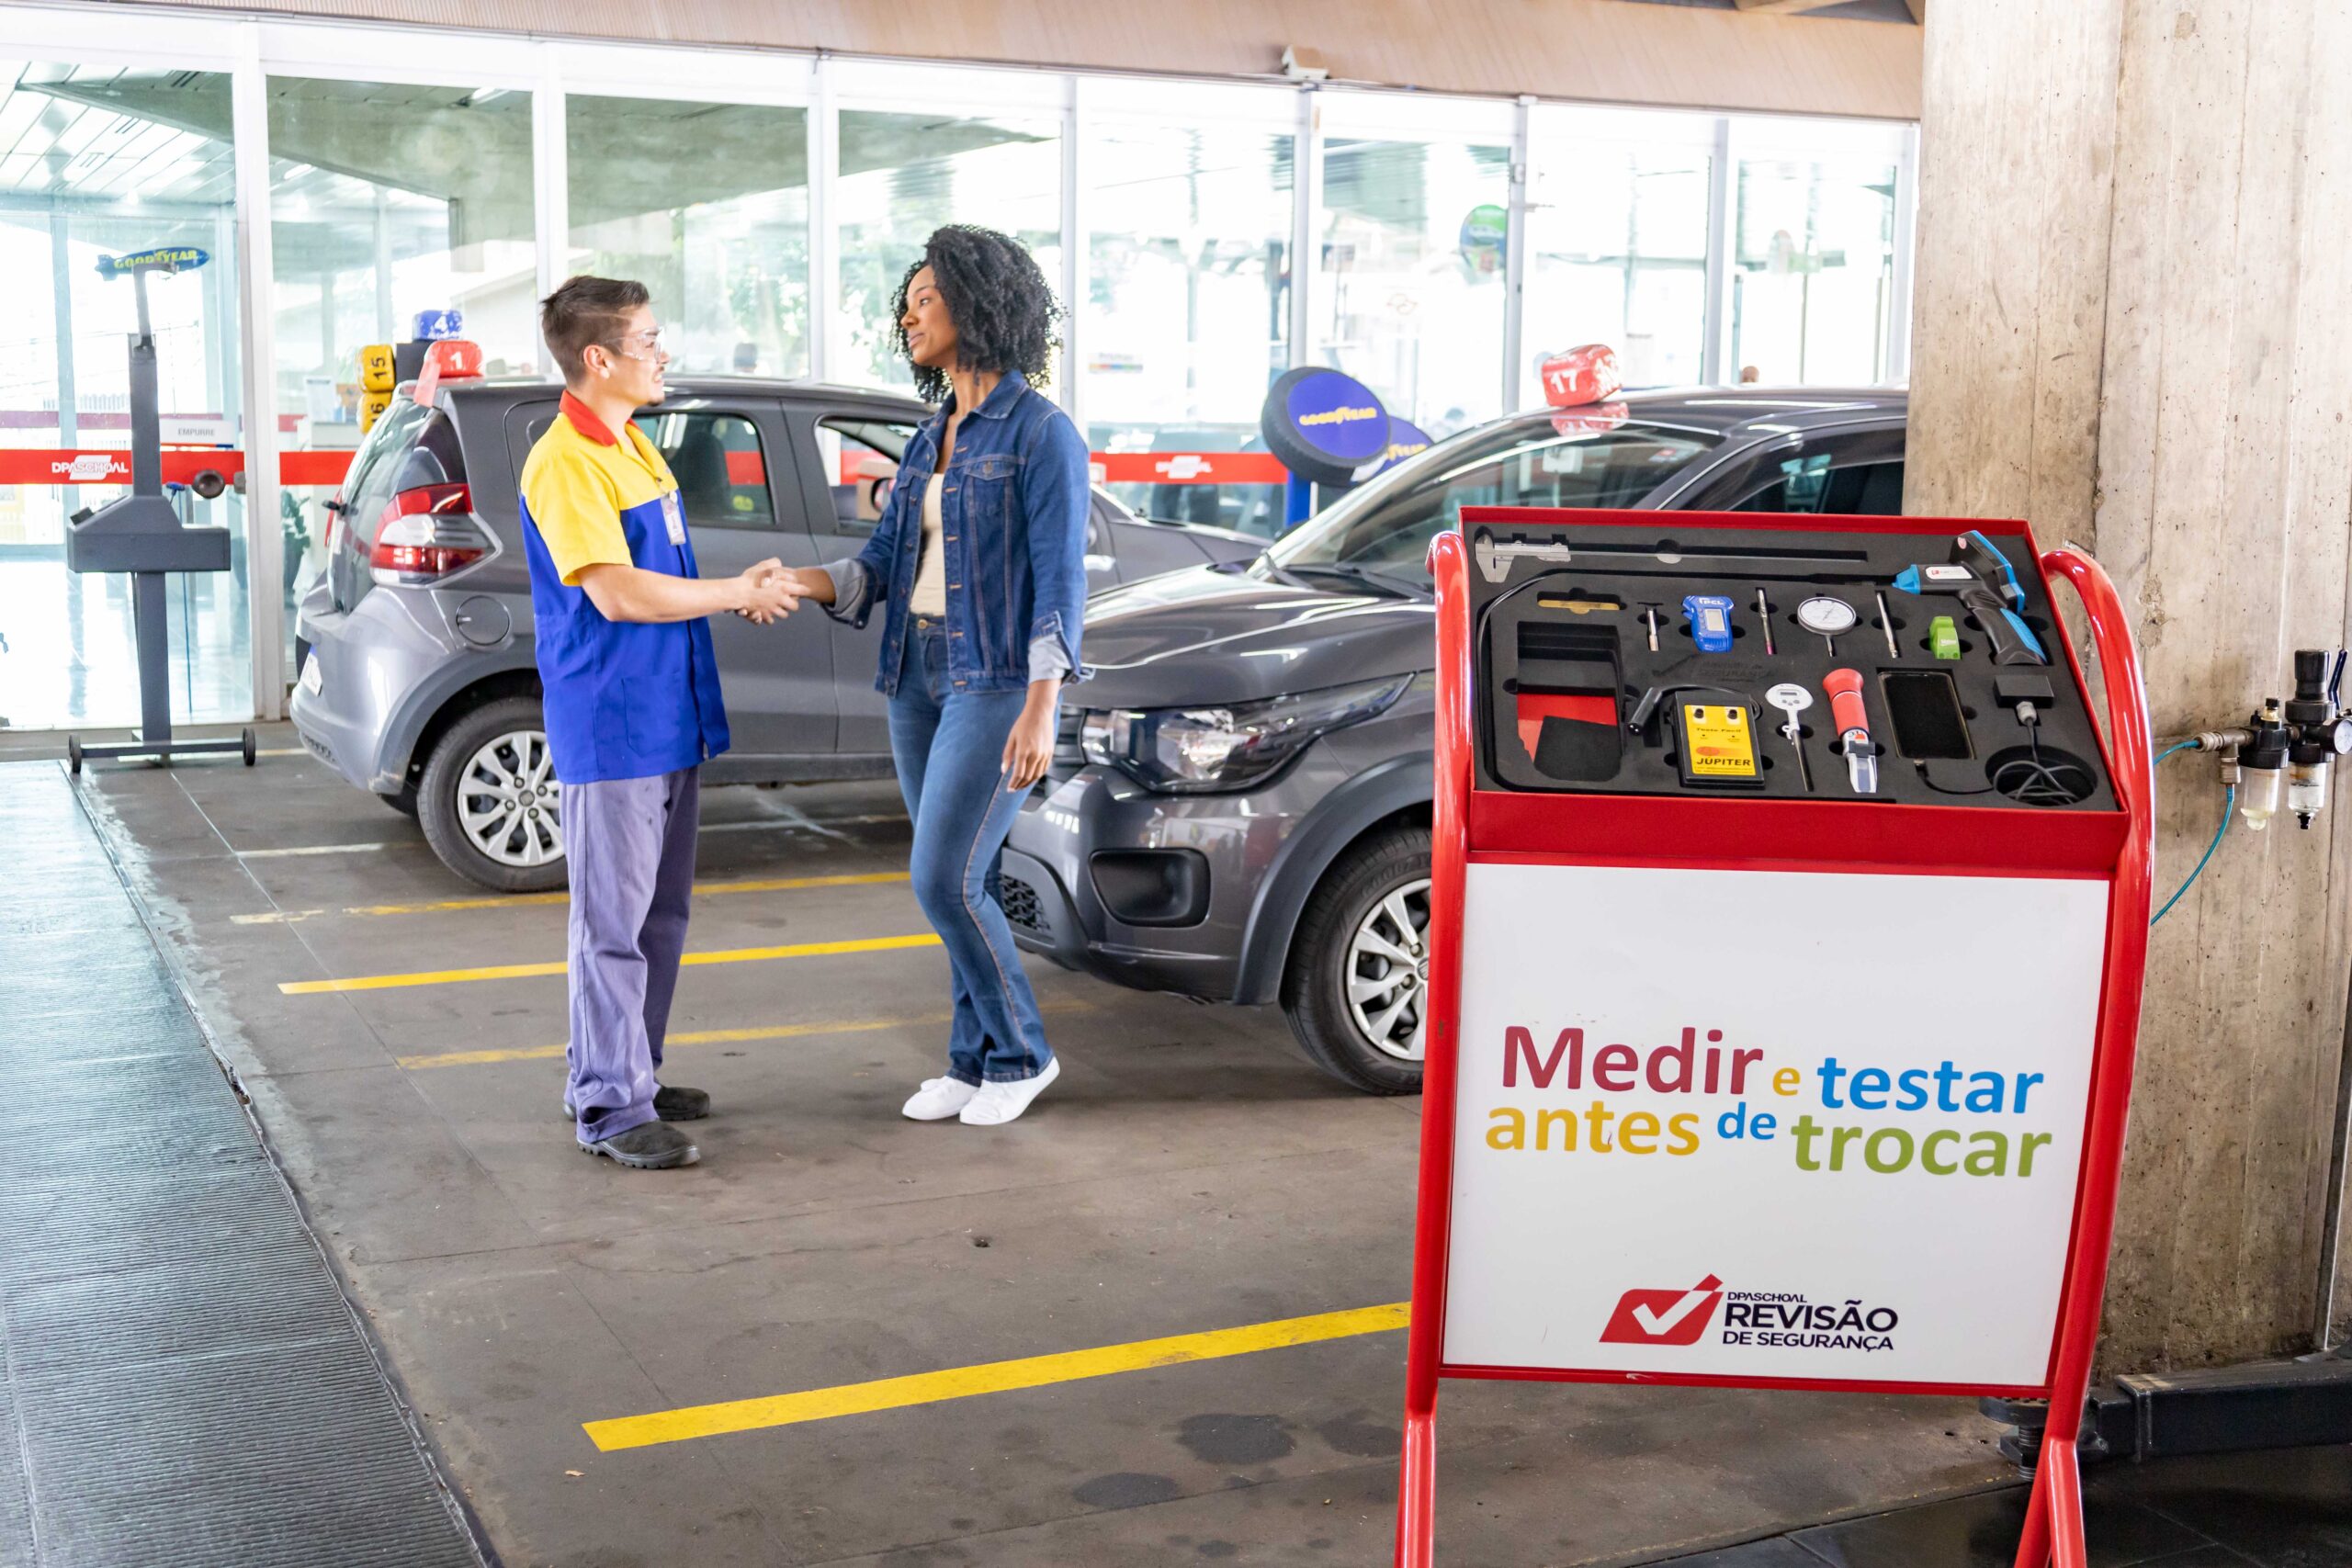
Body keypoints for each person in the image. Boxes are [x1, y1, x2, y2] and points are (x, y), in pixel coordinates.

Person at [780, 226, 1087, 1127]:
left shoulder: (1043, 434)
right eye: (906, 305)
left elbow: (1060, 581)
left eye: (924, 300)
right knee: (962, 881)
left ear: (977, 304)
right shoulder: (931, 435)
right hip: (913, 673)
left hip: (993, 679)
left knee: (944, 878)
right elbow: (882, 559)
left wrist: (1042, 706)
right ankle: (971, 1059)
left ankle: (1023, 1053)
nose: (907, 319)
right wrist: (794, 582)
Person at [519, 276, 799, 1170]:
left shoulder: (634, 447)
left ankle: (629, 1068)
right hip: (613, 723)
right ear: (598, 358)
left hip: (668, 716)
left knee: (658, 917)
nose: (662, 352)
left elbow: (662, 577)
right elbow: (617, 592)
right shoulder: (566, 461)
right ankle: (608, 1104)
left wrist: (738, 592)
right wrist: (733, 592)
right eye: (647, 339)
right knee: (611, 924)